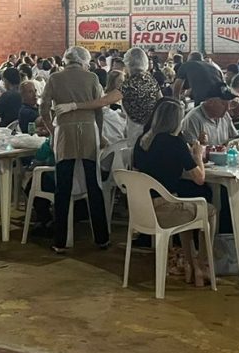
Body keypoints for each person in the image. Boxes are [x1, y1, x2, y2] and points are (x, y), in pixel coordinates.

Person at [130, 98, 215, 286]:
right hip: (165, 209)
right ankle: (203, 264)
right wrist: (198, 156)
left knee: (186, 204)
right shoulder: (174, 142)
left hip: (142, 209)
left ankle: (191, 266)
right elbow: (199, 178)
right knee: (209, 210)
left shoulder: (141, 141)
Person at [38, 46, 110, 255]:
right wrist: (100, 133)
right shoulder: (92, 78)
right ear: (84, 60)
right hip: (88, 130)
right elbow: (99, 109)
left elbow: (43, 108)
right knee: (93, 185)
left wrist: (52, 130)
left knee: (63, 187)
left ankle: (60, 240)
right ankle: (101, 238)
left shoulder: (54, 78)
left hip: (64, 132)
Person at [118, 48, 160, 145]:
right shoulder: (151, 80)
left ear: (128, 64)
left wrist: (78, 105)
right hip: (151, 127)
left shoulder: (130, 83)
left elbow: (105, 101)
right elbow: (161, 101)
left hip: (136, 128)